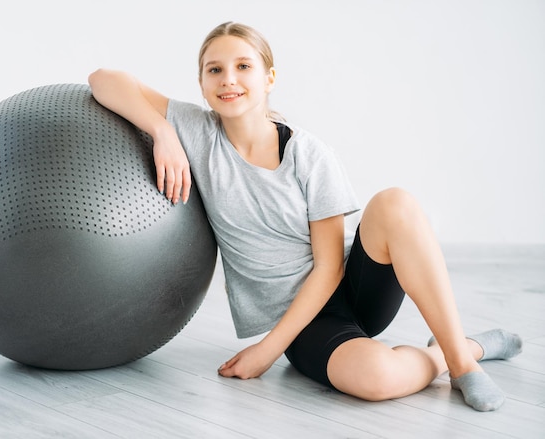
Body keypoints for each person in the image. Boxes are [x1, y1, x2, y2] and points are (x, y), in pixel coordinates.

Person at [88, 22, 521, 411]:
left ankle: (463, 363)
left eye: (243, 66)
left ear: (269, 78)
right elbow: (103, 80)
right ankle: (443, 353)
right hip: (304, 320)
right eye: (214, 70)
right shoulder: (196, 131)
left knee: (395, 202)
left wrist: (266, 352)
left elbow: (331, 267)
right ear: (201, 85)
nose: (229, 79)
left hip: (350, 286)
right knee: (377, 379)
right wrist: (161, 131)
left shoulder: (308, 153)